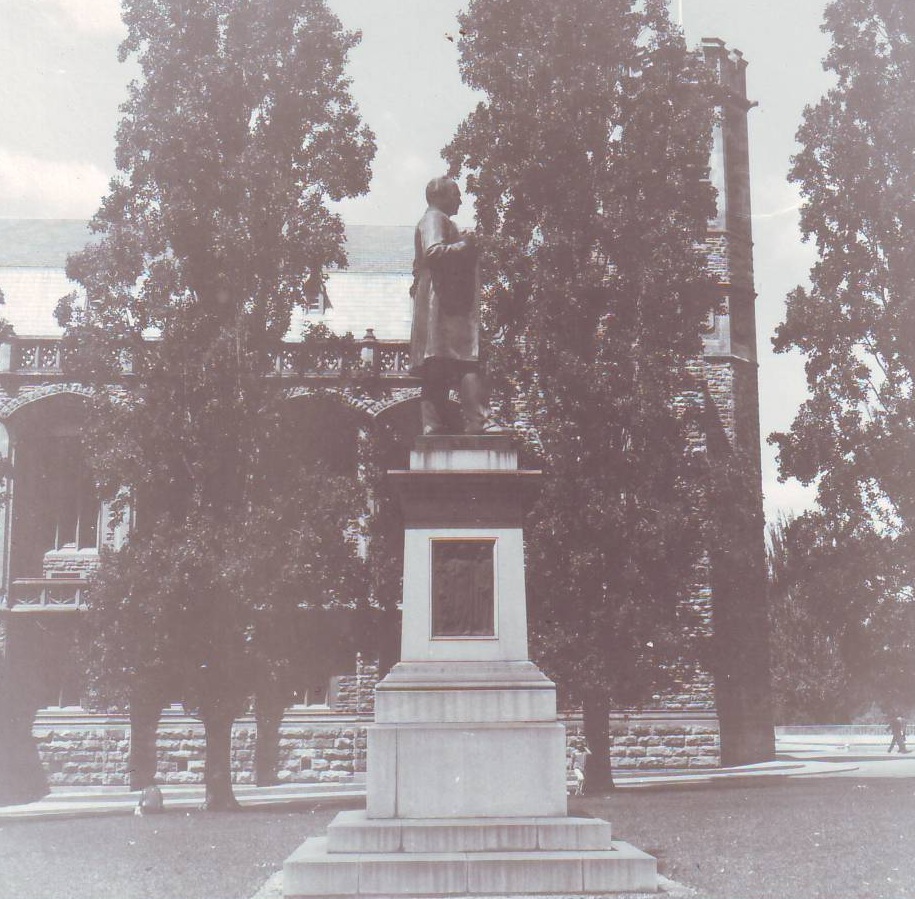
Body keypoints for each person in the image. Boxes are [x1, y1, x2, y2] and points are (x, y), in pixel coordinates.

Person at [409, 176, 493, 435]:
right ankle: (479, 422)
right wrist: (466, 244)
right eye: (456, 194)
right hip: (444, 306)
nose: (460, 200)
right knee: (467, 360)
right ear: (440, 196)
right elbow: (433, 252)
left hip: (440, 304)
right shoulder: (435, 218)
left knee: (438, 366)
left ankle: (433, 425)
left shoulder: (436, 220)